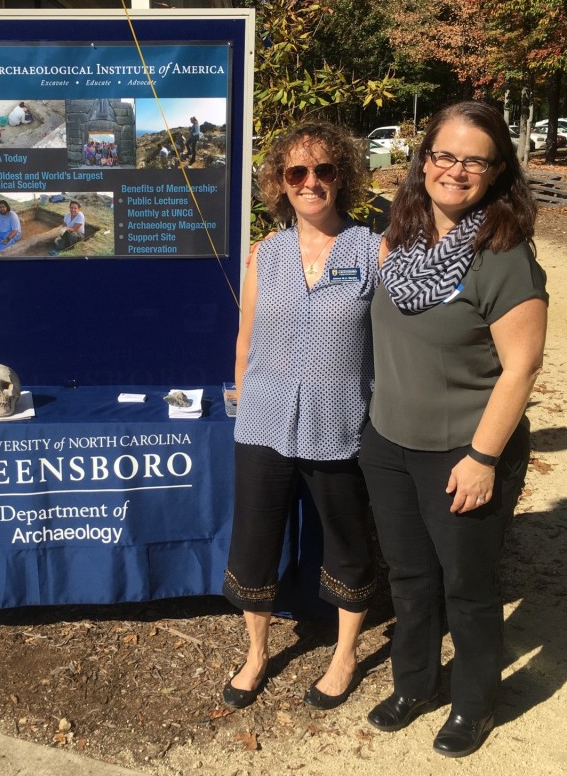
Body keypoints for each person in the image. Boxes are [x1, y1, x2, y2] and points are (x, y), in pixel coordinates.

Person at [359, 101, 548, 757]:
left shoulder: (503, 257)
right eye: (444, 154)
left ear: (497, 173)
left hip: (463, 450)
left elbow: (521, 367)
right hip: (389, 440)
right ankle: (415, 683)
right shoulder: (402, 235)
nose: (455, 170)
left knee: (467, 586)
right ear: (424, 158)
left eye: (475, 160)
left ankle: (473, 702)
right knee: (410, 576)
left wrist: (482, 457)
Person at [222, 121, 381, 712]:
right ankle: (258, 652)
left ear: (342, 177)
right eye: (297, 172)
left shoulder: (372, 249)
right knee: (255, 541)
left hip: (340, 422)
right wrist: (242, 402)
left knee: (346, 541)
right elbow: (246, 340)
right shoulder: (266, 254)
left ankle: (344, 655)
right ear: (280, 183)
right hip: (263, 421)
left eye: (324, 170)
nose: (311, 182)